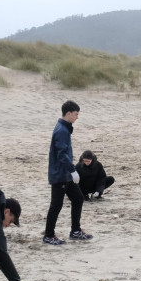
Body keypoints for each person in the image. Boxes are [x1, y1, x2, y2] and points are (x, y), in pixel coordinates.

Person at [44, 100, 92, 245]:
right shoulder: (62, 130)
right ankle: (49, 235)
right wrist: (73, 171)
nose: (77, 117)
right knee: (56, 205)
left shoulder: (64, 128)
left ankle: (75, 230)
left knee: (78, 198)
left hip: (65, 174)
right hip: (60, 175)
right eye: (76, 114)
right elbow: (61, 154)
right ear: (69, 113)